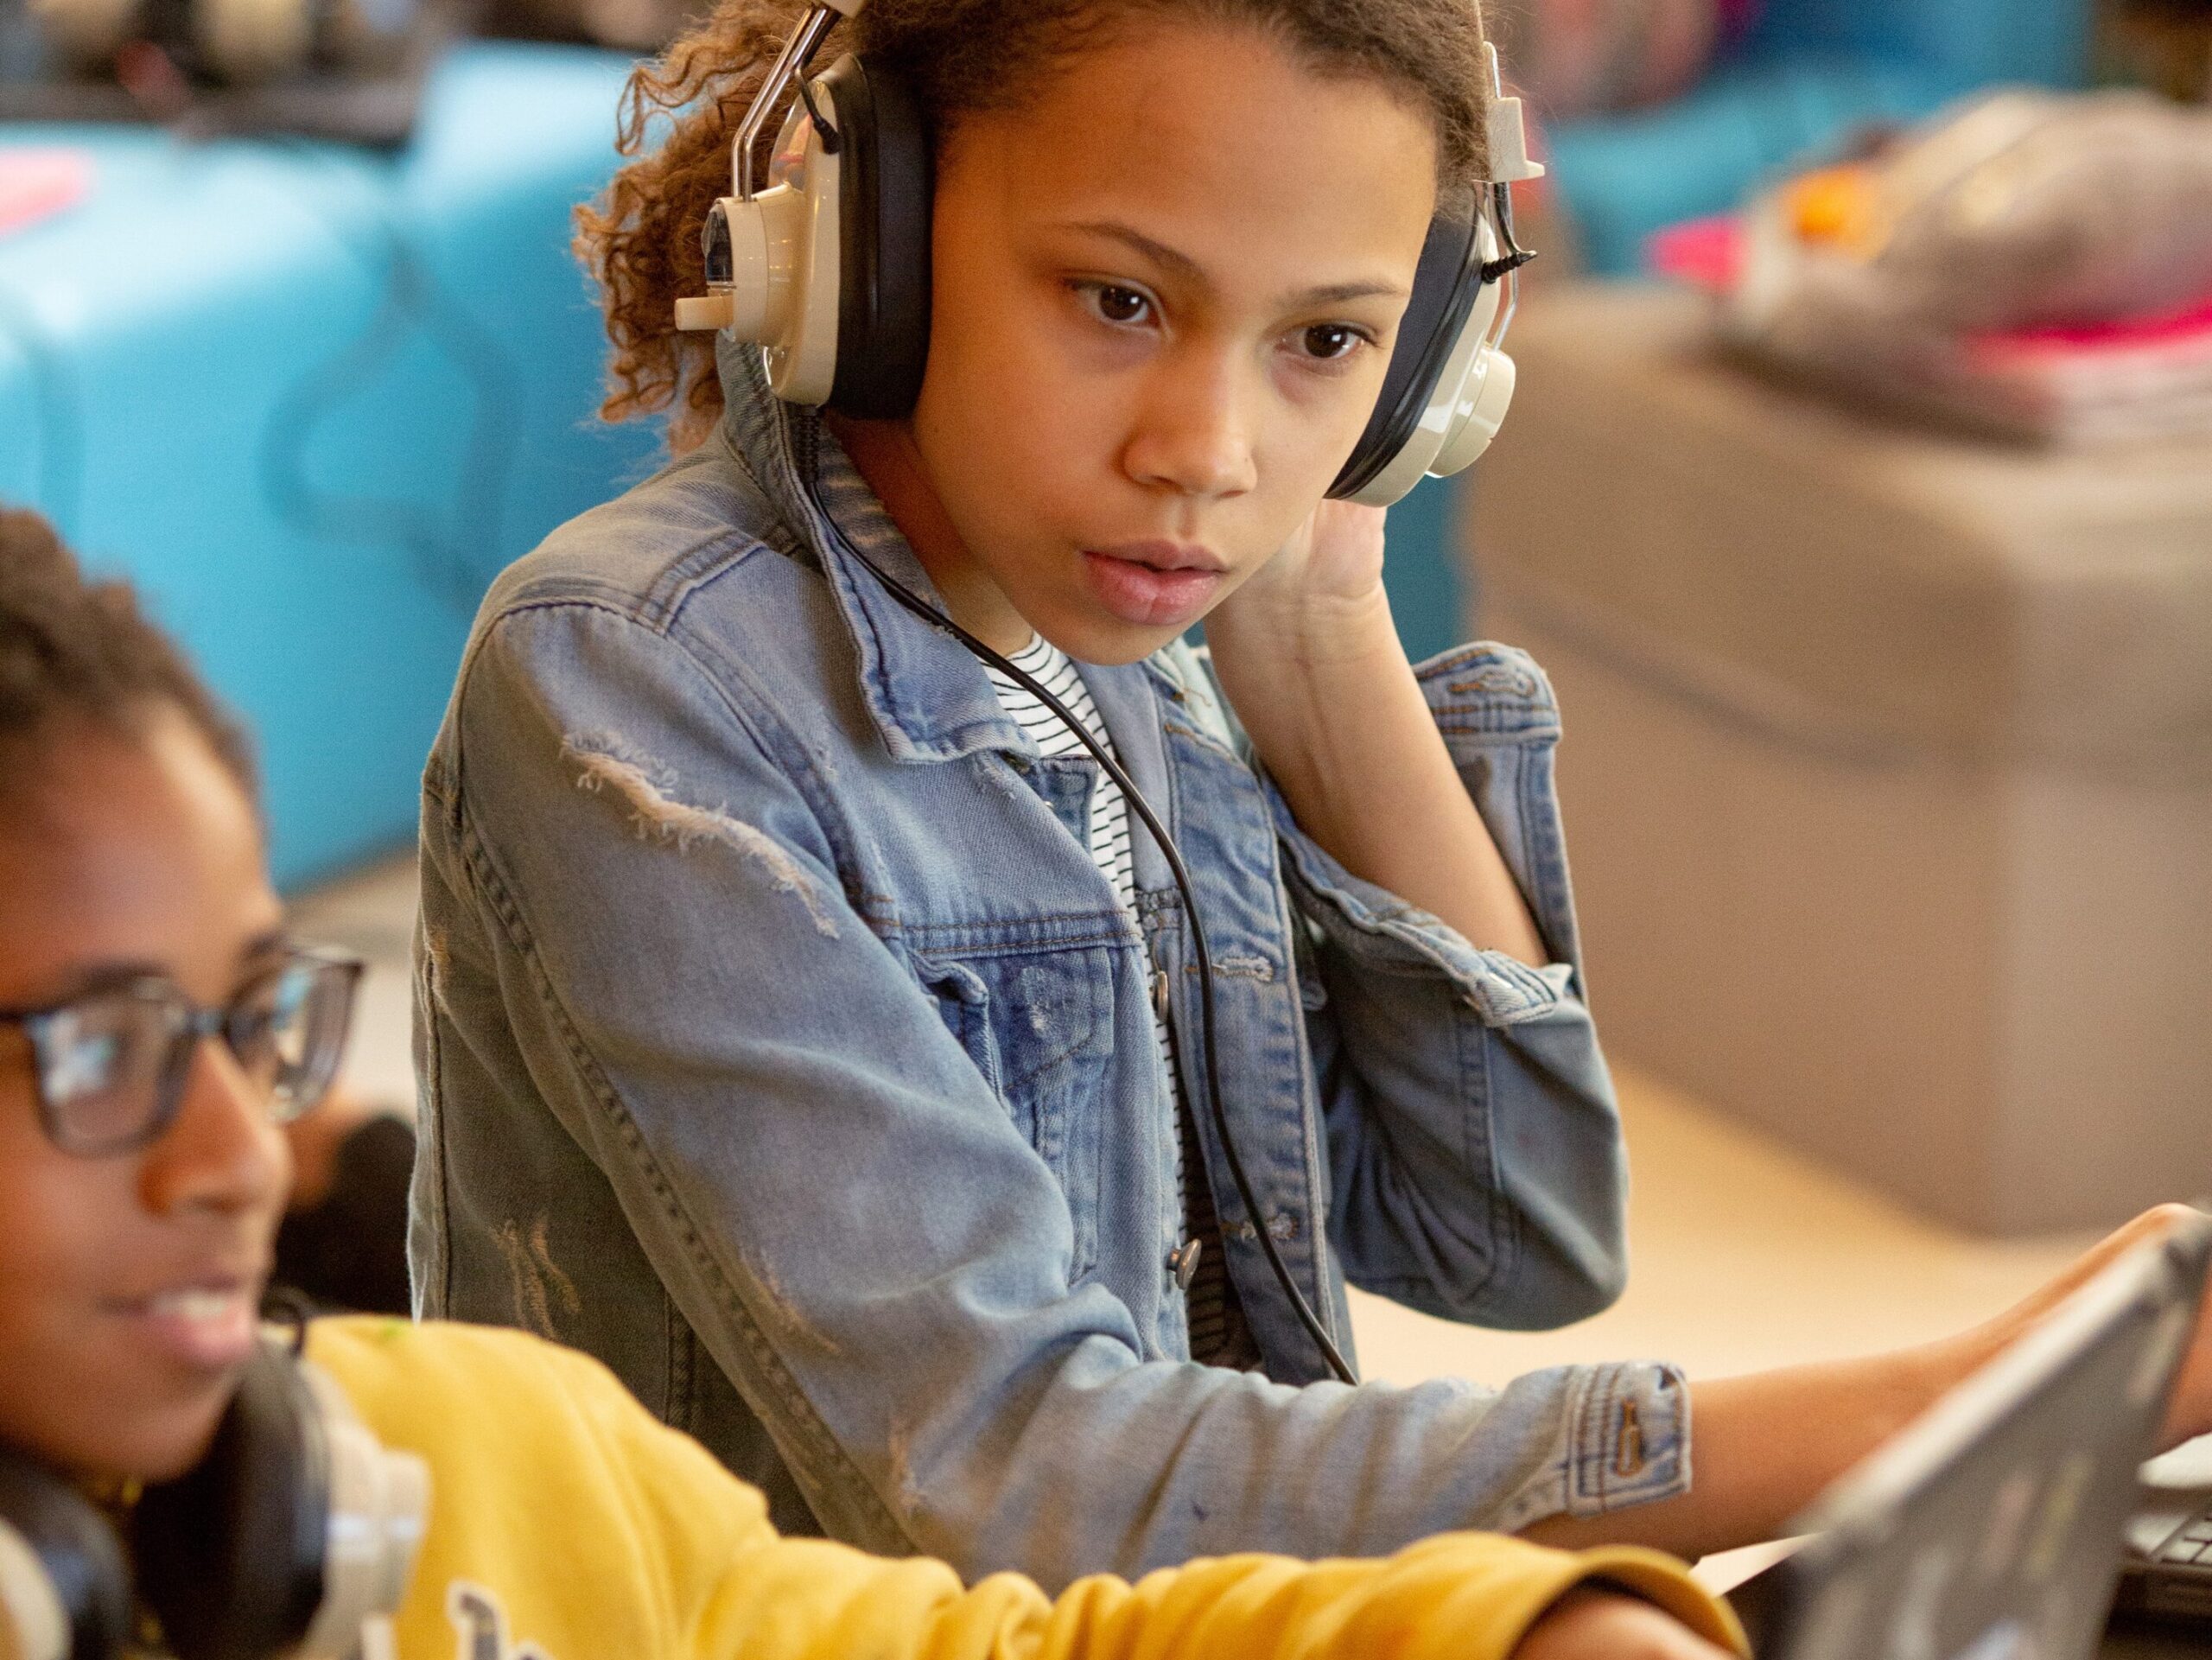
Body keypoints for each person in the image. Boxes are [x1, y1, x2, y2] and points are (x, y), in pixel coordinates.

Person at [412, 0, 2212, 1595]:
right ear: (869, 245)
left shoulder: (1121, 612)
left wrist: (1317, 615)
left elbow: (1509, 1232)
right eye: (1120, 300)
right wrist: (1952, 1387)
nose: (1205, 452)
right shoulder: (635, 676)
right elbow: (1020, 1482)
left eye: (1326, 342)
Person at [0, 506, 1749, 1658]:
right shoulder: (639, 662)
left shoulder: (487, 1450)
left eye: (245, 1024)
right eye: (98, 1051)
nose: (240, 1156)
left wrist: (1515, 1633)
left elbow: (976, 1645)